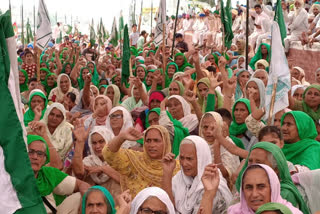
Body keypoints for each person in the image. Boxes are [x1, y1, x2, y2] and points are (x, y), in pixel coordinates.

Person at [102, 126, 180, 198]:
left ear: (166, 142)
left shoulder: (176, 167)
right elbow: (109, 155)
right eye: (148, 141)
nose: (151, 145)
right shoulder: (134, 159)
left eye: (156, 141)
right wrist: (121, 137)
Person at [162, 136, 232, 214]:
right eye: (182, 158)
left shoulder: (213, 183)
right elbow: (167, 207)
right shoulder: (179, 178)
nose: (184, 164)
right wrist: (167, 174)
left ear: (201, 158)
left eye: (189, 159)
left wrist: (208, 192)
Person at [235, 142, 309, 214]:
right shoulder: (236, 206)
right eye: (250, 161)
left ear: (275, 169)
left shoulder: (285, 194)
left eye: (259, 162)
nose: (252, 166)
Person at [27, 134, 90, 214]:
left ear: (44, 159)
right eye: (30, 152)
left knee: (81, 196)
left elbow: (83, 185)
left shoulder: (48, 173)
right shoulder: (13, 176)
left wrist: (84, 205)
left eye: (40, 153)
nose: (35, 157)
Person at [228, 164, 303, 214]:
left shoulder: (290, 212)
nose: (254, 194)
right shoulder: (234, 211)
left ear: (273, 188)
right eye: (249, 187)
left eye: (261, 186)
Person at [199, 112, 240, 182]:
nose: (208, 131)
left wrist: (216, 147)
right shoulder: (199, 144)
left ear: (219, 127)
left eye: (213, 128)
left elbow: (224, 174)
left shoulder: (227, 143)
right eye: (205, 127)